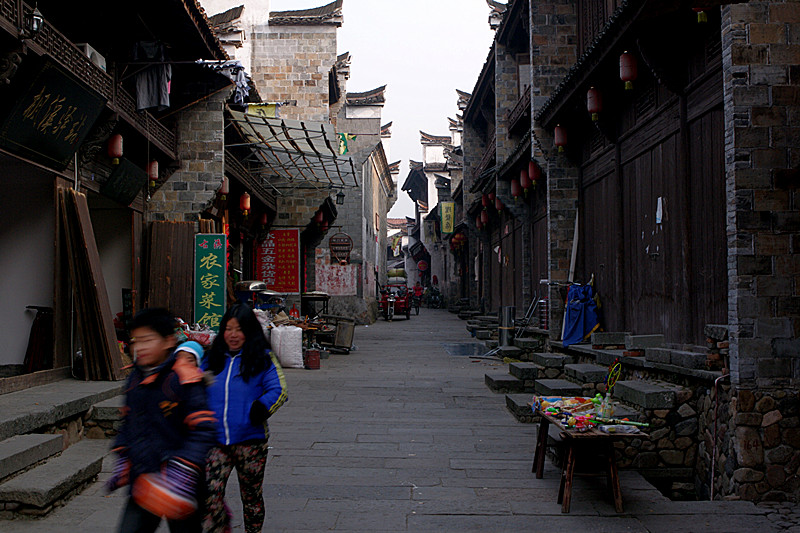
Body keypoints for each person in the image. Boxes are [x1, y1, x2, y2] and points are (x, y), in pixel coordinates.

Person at [107, 308, 216, 533]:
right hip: (144, 480)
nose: (140, 347)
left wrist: (182, 469)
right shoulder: (135, 379)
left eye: (147, 340)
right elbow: (129, 422)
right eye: (136, 341)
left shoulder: (184, 377)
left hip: (182, 486)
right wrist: (123, 454)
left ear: (168, 341)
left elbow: (203, 429)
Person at [202, 304, 288, 533]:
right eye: (228, 329)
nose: (232, 335)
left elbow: (278, 389)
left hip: (251, 442)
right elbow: (194, 387)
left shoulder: (262, 358)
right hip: (216, 442)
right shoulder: (212, 359)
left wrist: (261, 407)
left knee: (251, 498)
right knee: (209, 496)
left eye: (238, 329)